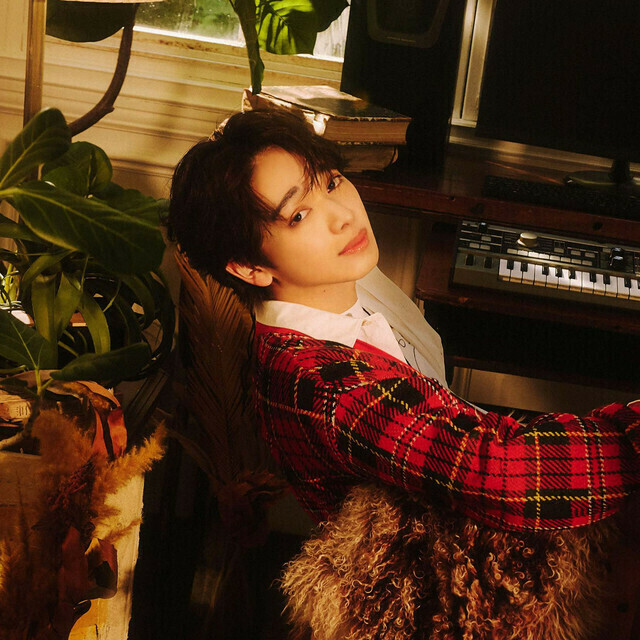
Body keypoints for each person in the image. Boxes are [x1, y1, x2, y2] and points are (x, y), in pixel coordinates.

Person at [167, 107, 640, 533]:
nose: (342, 215)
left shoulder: (344, 288)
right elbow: (498, 473)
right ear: (249, 267)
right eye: (299, 215)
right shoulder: (326, 385)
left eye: (331, 182)